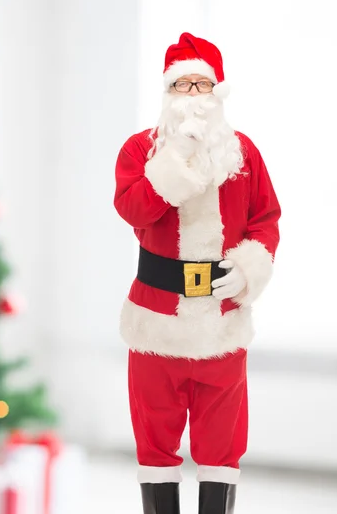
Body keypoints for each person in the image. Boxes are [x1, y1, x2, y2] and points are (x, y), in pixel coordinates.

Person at [113, 32, 281, 514]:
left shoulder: (243, 153)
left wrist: (250, 270)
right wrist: (176, 161)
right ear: (167, 94)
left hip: (221, 323)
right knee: (155, 447)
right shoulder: (138, 151)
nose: (192, 96)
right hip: (156, 325)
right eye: (182, 86)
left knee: (222, 448)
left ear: (217, 93)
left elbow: (266, 219)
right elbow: (134, 211)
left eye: (200, 86)